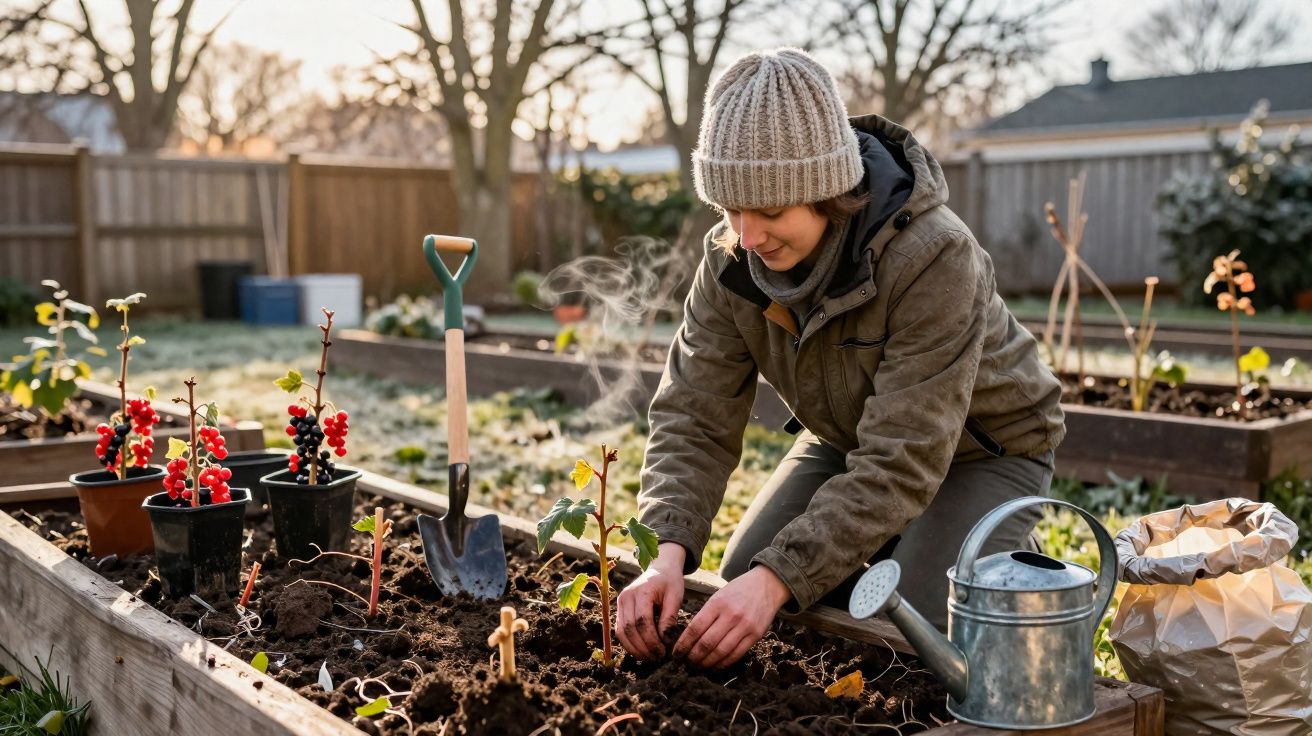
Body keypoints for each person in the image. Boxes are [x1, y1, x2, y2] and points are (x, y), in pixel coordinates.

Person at [614, 47, 1065, 670]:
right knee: (747, 573)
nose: (747, 236)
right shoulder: (730, 263)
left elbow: (904, 454)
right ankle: (895, 540)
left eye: (769, 212)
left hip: (983, 447)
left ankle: (987, 539)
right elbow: (694, 413)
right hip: (849, 438)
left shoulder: (932, 257)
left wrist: (784, 576)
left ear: (828, 194)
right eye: (730, 210)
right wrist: (664, 551)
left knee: (920, 633)